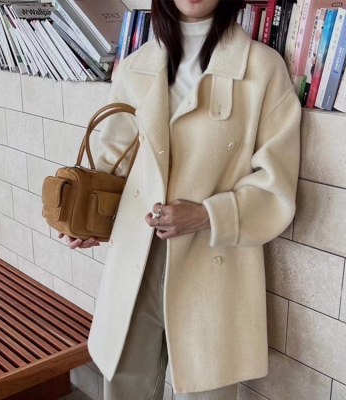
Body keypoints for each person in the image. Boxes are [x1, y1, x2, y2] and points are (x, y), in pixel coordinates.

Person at [59, 0, 302, 398]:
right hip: (134, 261)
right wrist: (89, 221)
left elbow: (277, 185)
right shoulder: (135, 67)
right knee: (125, 387)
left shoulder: (261, 69)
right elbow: (113, 164)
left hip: (212, 262)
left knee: (206, 390)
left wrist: (208, 214)